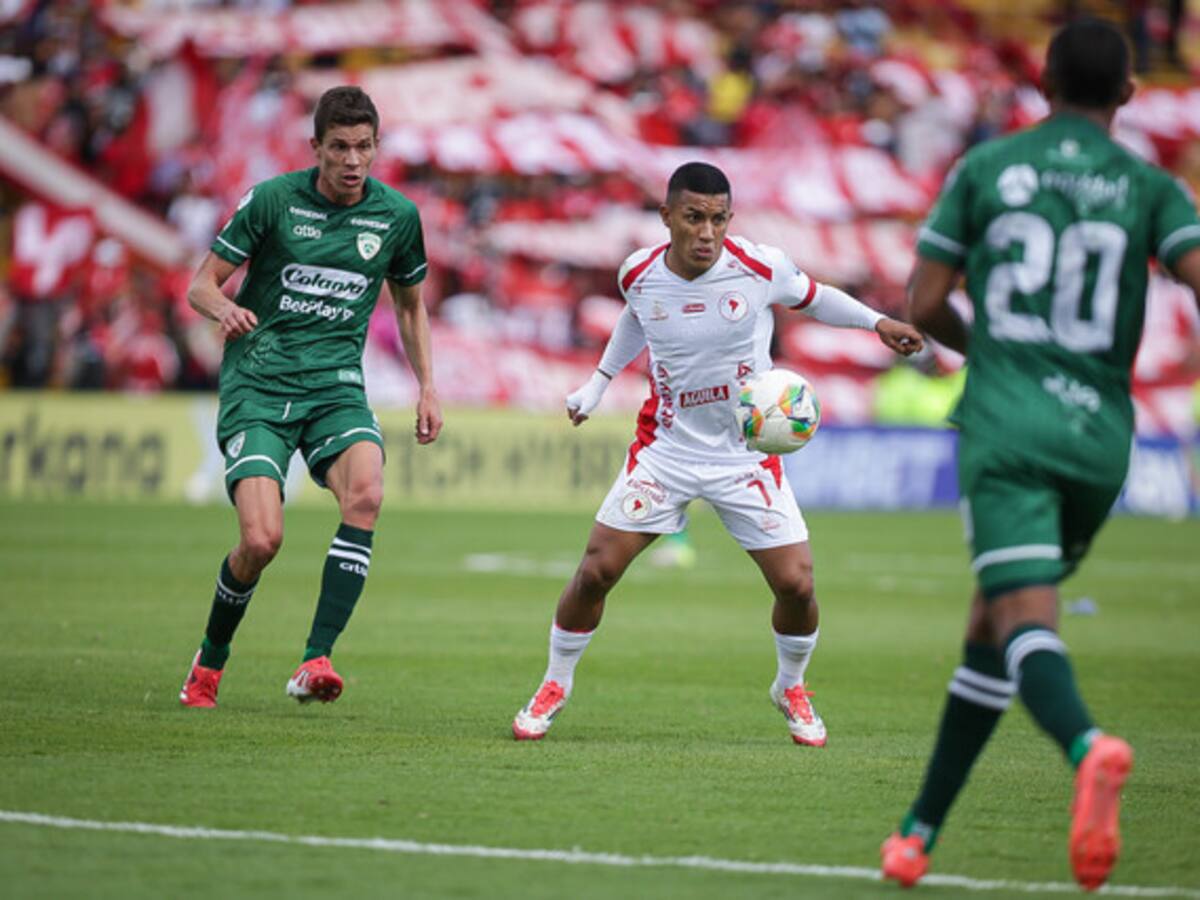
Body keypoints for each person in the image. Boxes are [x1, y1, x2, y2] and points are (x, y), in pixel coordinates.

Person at [880, 18, 1200, 892]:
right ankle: (918, 834)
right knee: (992, 621)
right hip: (1101, 436)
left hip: (1010, 425)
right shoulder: (1152, 186)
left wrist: (989, 348)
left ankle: (1088, 747)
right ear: (1128, 94)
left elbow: (926, 299)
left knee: (1023, 619)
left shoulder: (987, 169)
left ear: (1043, 83)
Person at [510, 161, 924, 745]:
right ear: (667, 218)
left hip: (745, 453)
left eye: (719, 219)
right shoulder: (640, 273)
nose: (708, 232)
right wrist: (598, 383)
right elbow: (637, 317)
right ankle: (556, 682)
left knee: (797, 585)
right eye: (694, 218)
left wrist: (876, 321)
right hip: (668, 449)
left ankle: (791, 684)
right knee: (596, 571)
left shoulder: (758, 267)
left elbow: (815, 296)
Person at [178, 86, 442, 708]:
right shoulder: (273, 201)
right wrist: (227, 307)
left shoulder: (397, 217)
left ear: (377, 147)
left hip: (335, 385)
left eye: (365, 147)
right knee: (262, 541)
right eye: (340, 148)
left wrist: (428, 386)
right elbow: (200, 285)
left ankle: (315, 659)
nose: (353, 161)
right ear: (316, 148)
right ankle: (209, 662)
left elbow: (410, 306)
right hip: (261, 384)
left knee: (368, 494)